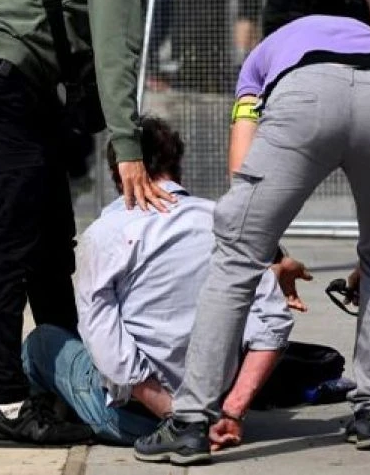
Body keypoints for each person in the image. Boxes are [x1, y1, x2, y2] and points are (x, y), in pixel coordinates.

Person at [0, 0, 225, 448]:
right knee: (9, 247)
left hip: (14, 86)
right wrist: (128, 149)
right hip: (0, 88)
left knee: (49, 245)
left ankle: (57, 375)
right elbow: (120, 49)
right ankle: (7, 400)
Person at [134, 15, 370, 464]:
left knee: (234, 258)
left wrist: (268, 252)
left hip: (304, 96)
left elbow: (241, 169)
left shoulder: (263, 57)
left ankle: (189, 423)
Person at [21, 116, 295, 445]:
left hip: (134, 418)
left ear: (118, 172)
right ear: (177, 162)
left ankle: (37, 407)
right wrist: (232, 411)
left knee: (43, 342)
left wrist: (178, 419)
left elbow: (110, 347)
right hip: (216, 411)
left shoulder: (106, 234)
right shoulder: (224, 224)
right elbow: (273, 322)